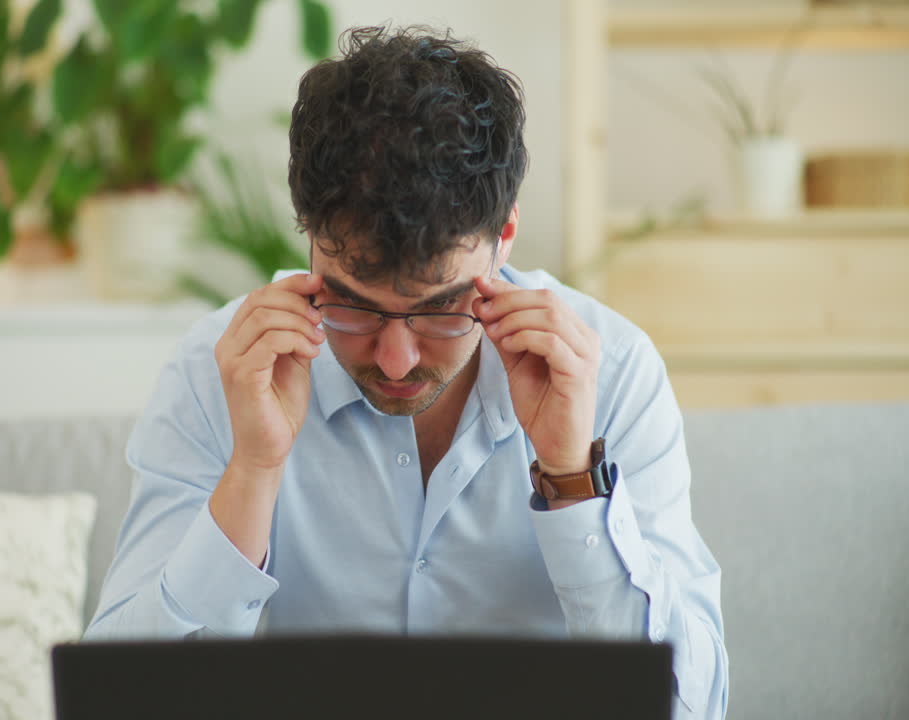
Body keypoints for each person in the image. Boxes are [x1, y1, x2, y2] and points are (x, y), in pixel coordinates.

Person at [86, 25, 727, 718]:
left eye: (441, 308)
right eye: (352, 304)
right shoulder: (221, 372)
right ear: (309, 234)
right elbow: (120, 703)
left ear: (505, 237)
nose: (396, 359)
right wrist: (254, 472)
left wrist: (572, 477)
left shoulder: (613, 372)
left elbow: (689, 707)